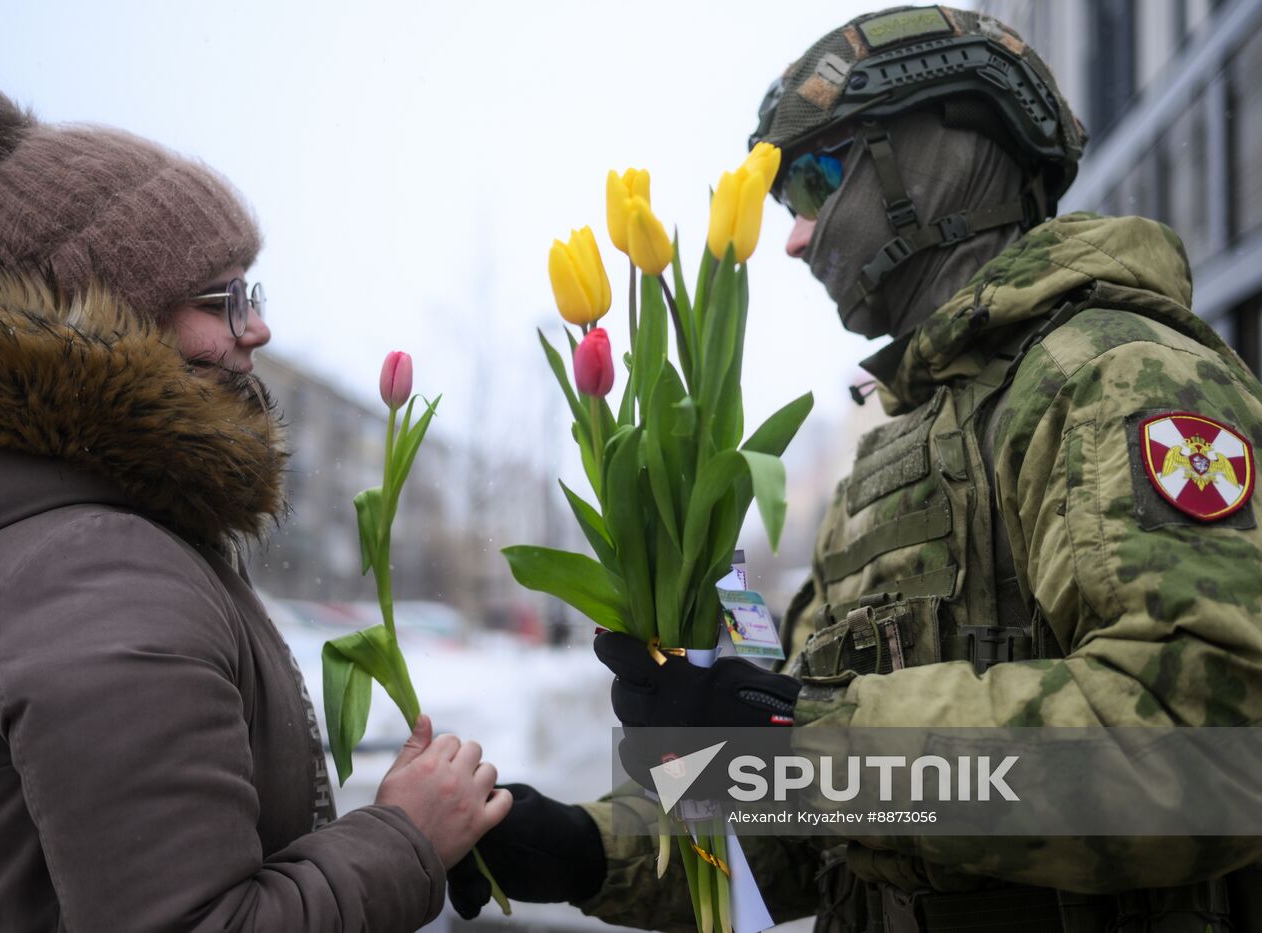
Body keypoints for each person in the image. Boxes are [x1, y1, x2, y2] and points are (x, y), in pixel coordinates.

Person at [448, 6, 1262, 931]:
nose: (793, 236)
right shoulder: (895, 450)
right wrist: (589, 848)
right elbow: (823, 824)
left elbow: (1208, 747)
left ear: (934, 159)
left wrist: (807, 734)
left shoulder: (1113, 374)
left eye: (816, 178)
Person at [0, 77, 510, 931]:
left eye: (256, 293)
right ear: (100, 318)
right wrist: (406, 839)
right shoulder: (94, 576)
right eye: (222, 297)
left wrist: (587, 843)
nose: (258, 329)